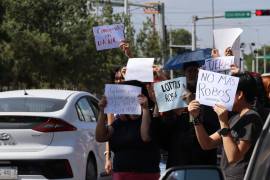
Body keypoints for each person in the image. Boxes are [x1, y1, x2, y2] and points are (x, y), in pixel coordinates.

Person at [188, 72, 263, 180]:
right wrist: (195, 118)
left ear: (240, 94)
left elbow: (234, 157)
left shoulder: (251, 118)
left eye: (228, 91)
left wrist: (223, 122)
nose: (222, 96)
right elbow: (207, 144)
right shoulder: (235, 118)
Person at [150, 61, 219, 169]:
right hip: (178, 162)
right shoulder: (174, 97)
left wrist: (192, 105)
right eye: (189, 71)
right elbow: (162, 134)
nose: (192, 73)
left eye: (195, 70)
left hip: (203, 163)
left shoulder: (208, 97)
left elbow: (211, 127)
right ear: (184, 73)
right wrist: (159, 104)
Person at [96, 81, 160, 180]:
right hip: (121, 175)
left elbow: (145, 137)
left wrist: (145, 109)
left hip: (146, 174)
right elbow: (100, 137)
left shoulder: (151, 117)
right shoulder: (120, 122)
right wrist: (102, 111)